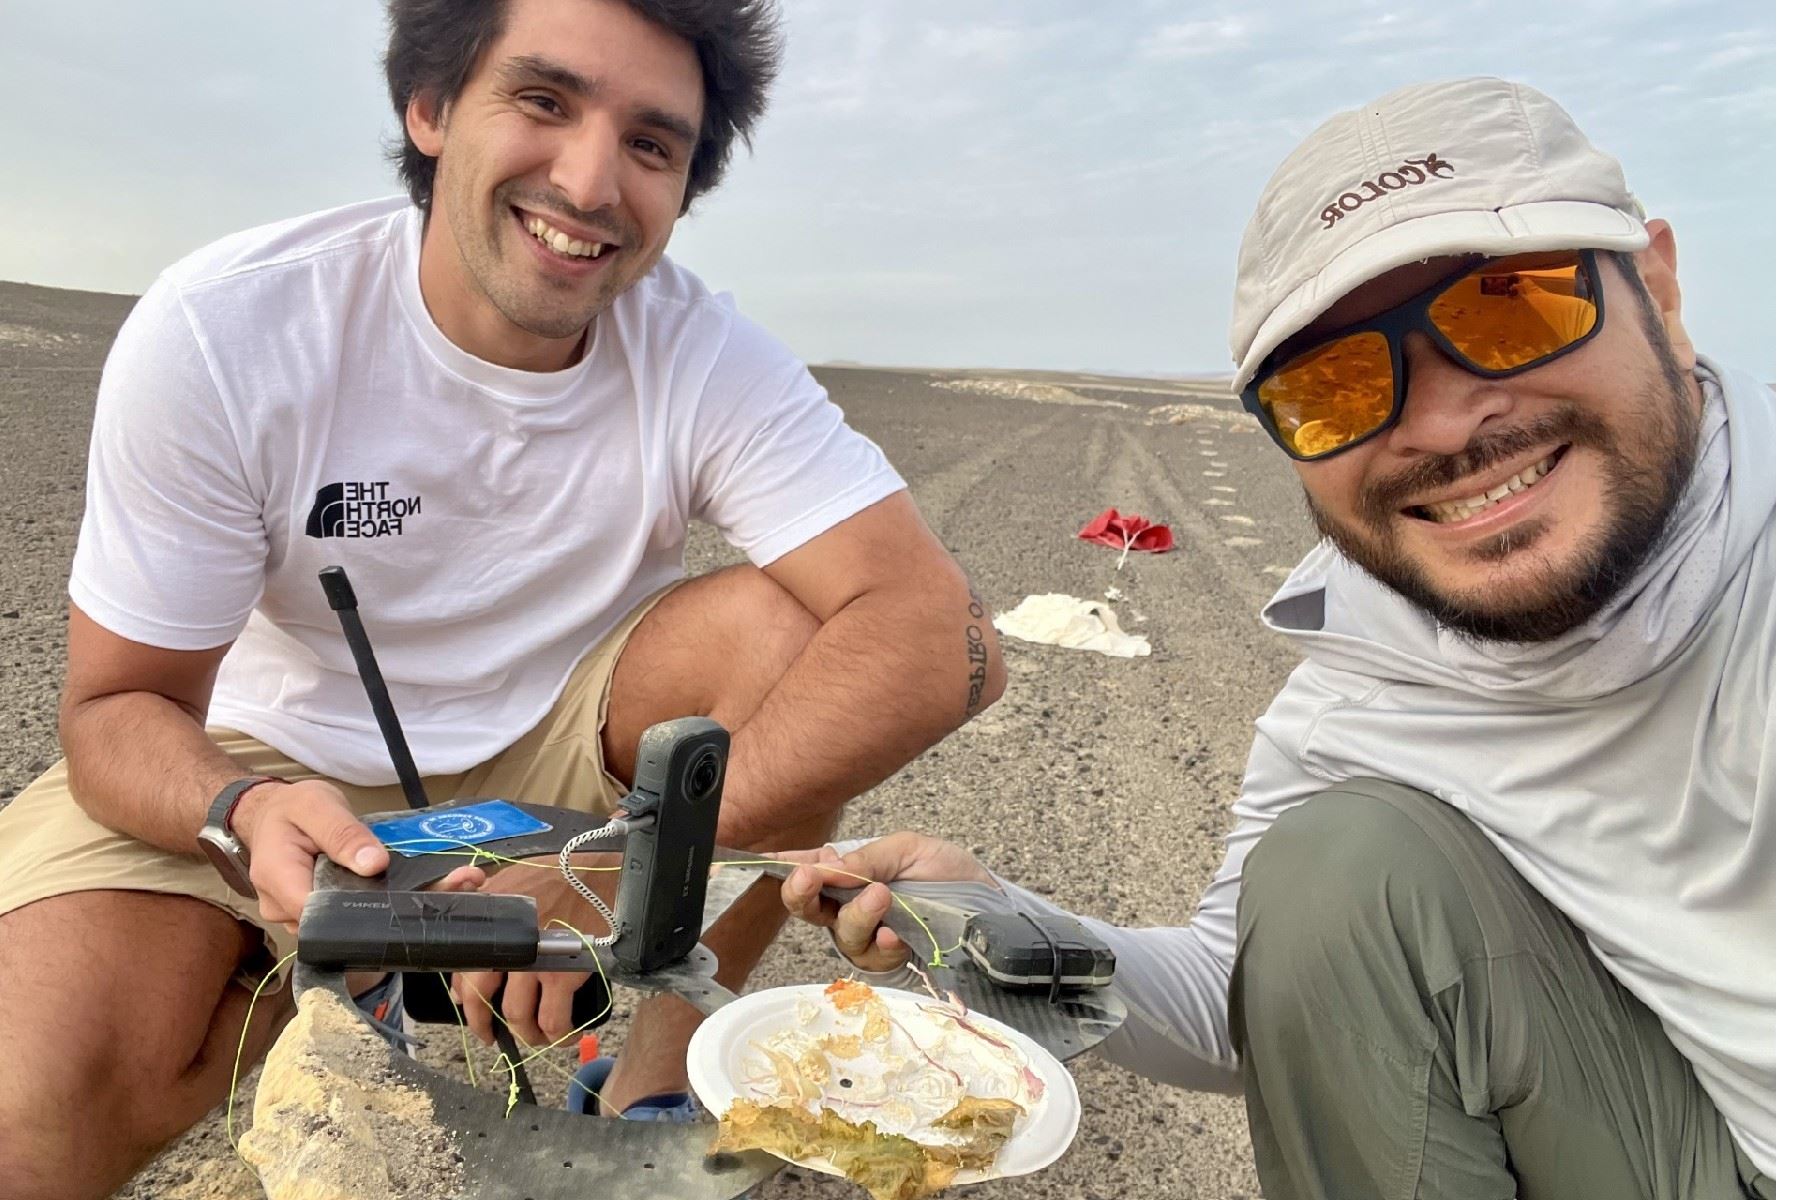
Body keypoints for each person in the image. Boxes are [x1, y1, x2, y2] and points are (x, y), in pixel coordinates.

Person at [0, 1, 1007, 1196]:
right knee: (33, 1114)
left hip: (566, 757)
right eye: (543, 102)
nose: (590, 182)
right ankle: (333, 997)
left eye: (651, 144)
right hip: (272, 751)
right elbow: (117, 709)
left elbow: (943, 639)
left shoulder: (698, 348)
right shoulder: (232, 328)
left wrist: (611, 872)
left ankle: (652, 1085)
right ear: (428, 109)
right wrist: (240, 808)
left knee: (797, 638)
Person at [780, 77, 1774, 1199]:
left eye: (1512, 307)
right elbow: (1243, 994)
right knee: (1335, 876)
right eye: (1340, 385)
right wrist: (991, 921)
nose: (1445, 421)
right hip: (1677, 1137)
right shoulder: (1366, 674)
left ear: (1659, 287)